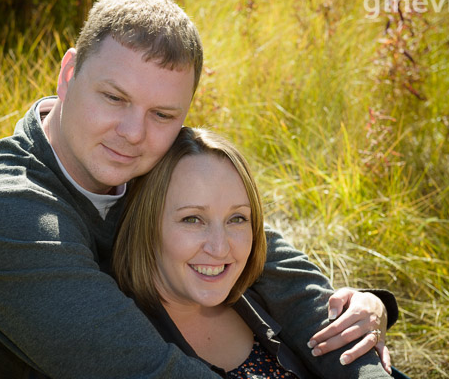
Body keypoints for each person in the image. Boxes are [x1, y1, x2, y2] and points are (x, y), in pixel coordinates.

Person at [0, 0, 396, 378]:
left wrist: (366, 327)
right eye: (114, 97)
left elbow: (279, 275)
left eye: (163, 114)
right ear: (69, 72)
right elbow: (148, 371)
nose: (134, 133)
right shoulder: (3, 214)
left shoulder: (142, 162)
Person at [112, 126, 393, 378]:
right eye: (192, 219)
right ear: (146, 224)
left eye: (237, 219)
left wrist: (371, 304)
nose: (220, 248)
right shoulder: (120, 337)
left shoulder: (260, 293)